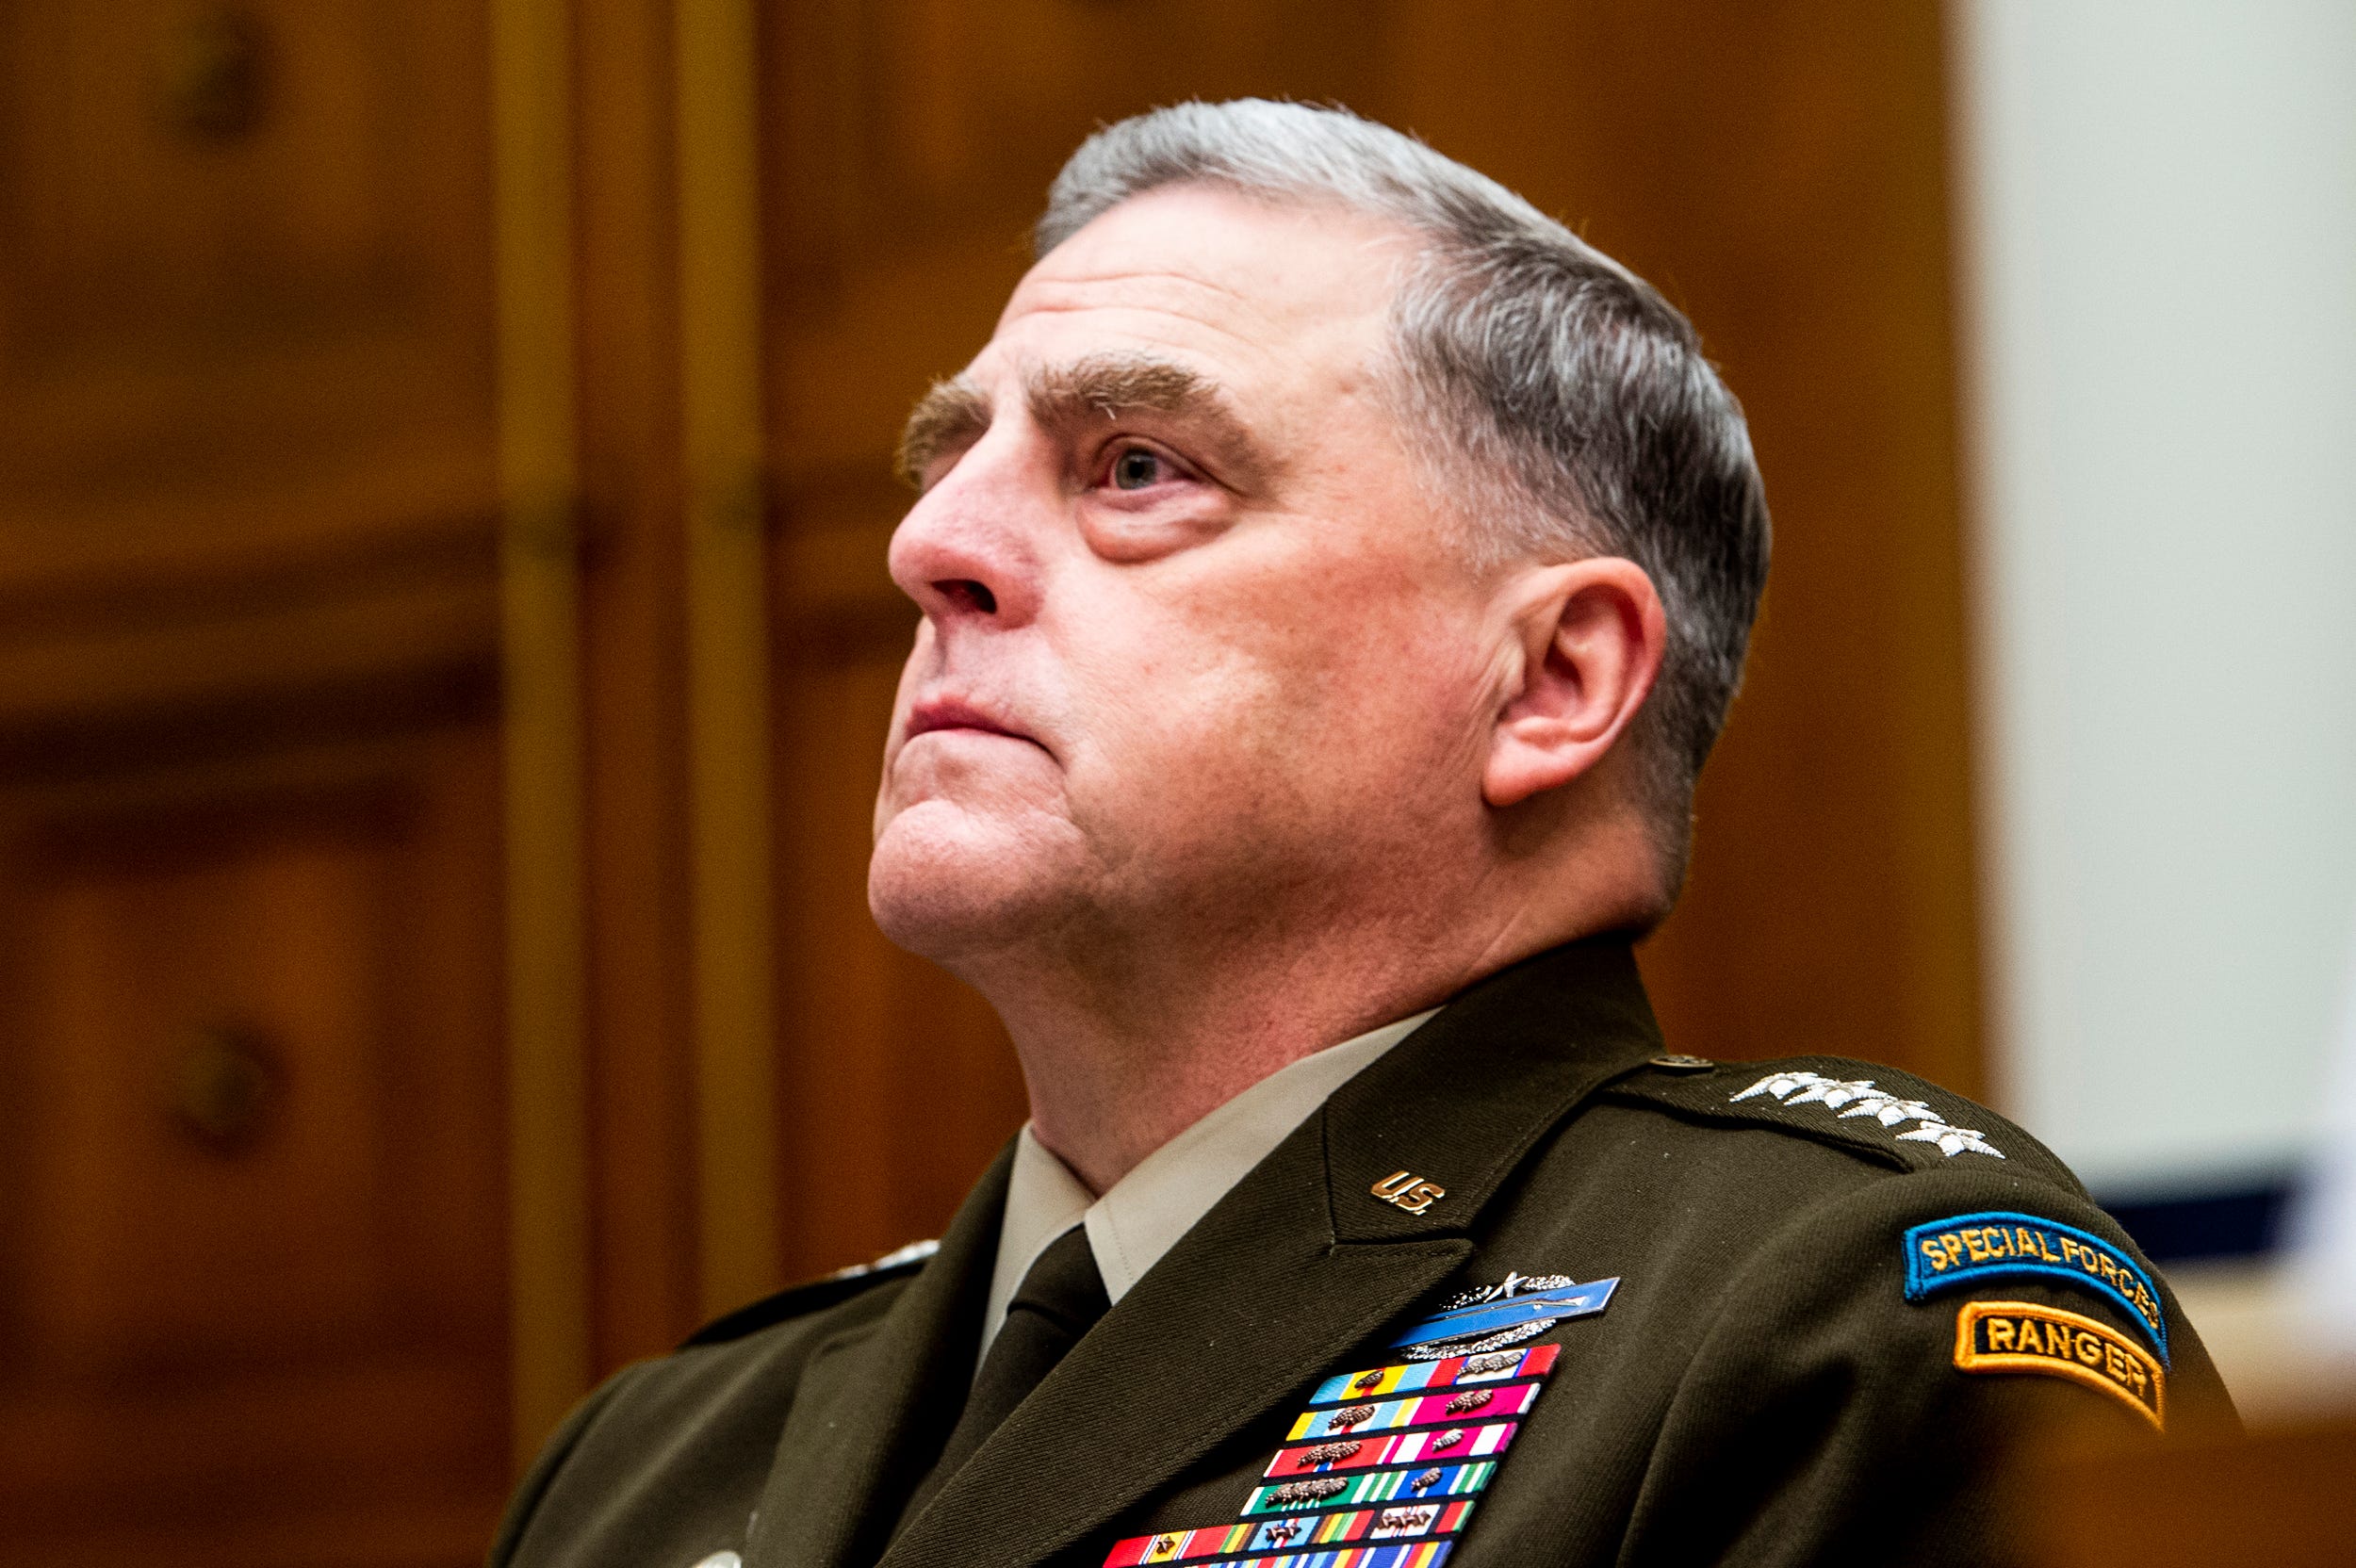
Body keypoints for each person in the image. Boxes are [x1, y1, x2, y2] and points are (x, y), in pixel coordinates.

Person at [492, 100, 2233, 1568]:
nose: (929, 544)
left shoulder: (1831, 1321)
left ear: (1550, 681)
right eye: (952, 460)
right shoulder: (649, 1466)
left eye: (1137, 467)